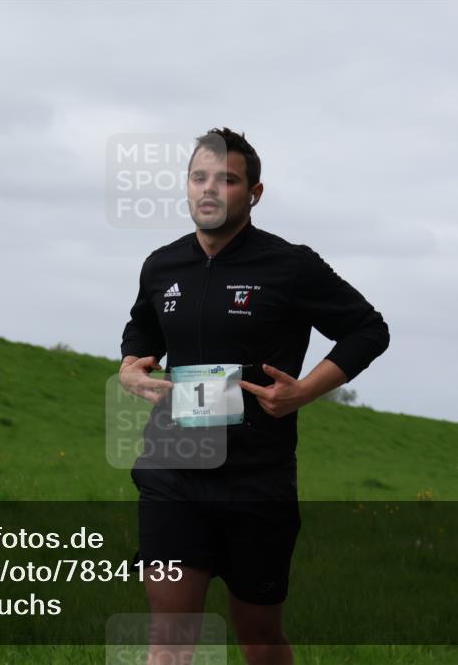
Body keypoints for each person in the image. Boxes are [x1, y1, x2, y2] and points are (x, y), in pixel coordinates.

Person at [118, 127, 390, 665]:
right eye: (199, 177)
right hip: (173, 471)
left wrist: (304, 391)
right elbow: (140, 336)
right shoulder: (161, 266)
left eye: (227, 179)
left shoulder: (289, 266)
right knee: (168, 640)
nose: (210, 189)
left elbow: (368, 329)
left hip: (256, 480)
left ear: (254, 192)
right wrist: (129, 370)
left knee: (259, 637)